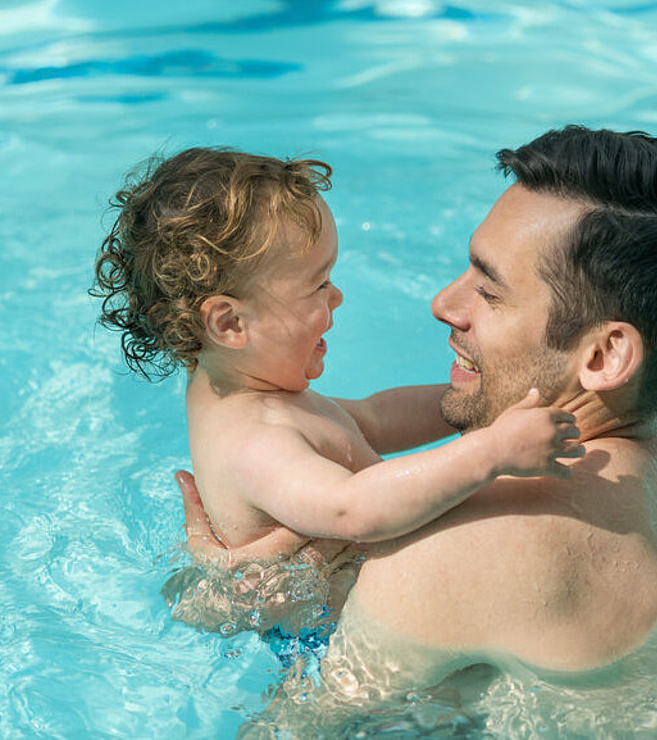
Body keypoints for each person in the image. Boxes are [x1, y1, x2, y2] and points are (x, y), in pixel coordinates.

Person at [175, 128, 657, 737]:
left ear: (602, 356)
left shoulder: (453, 551)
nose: (444, 303)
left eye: (489, 292)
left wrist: (230, 599)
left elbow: (290, 728)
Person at [91, 148, 586, 624]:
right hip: (329, 644)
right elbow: (354, 507)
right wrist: (491, 452)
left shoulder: (250, 386)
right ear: (229, 323)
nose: (338, 295)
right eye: (318, 285)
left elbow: (372, 419)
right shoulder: (255, 440)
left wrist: (482, 404)